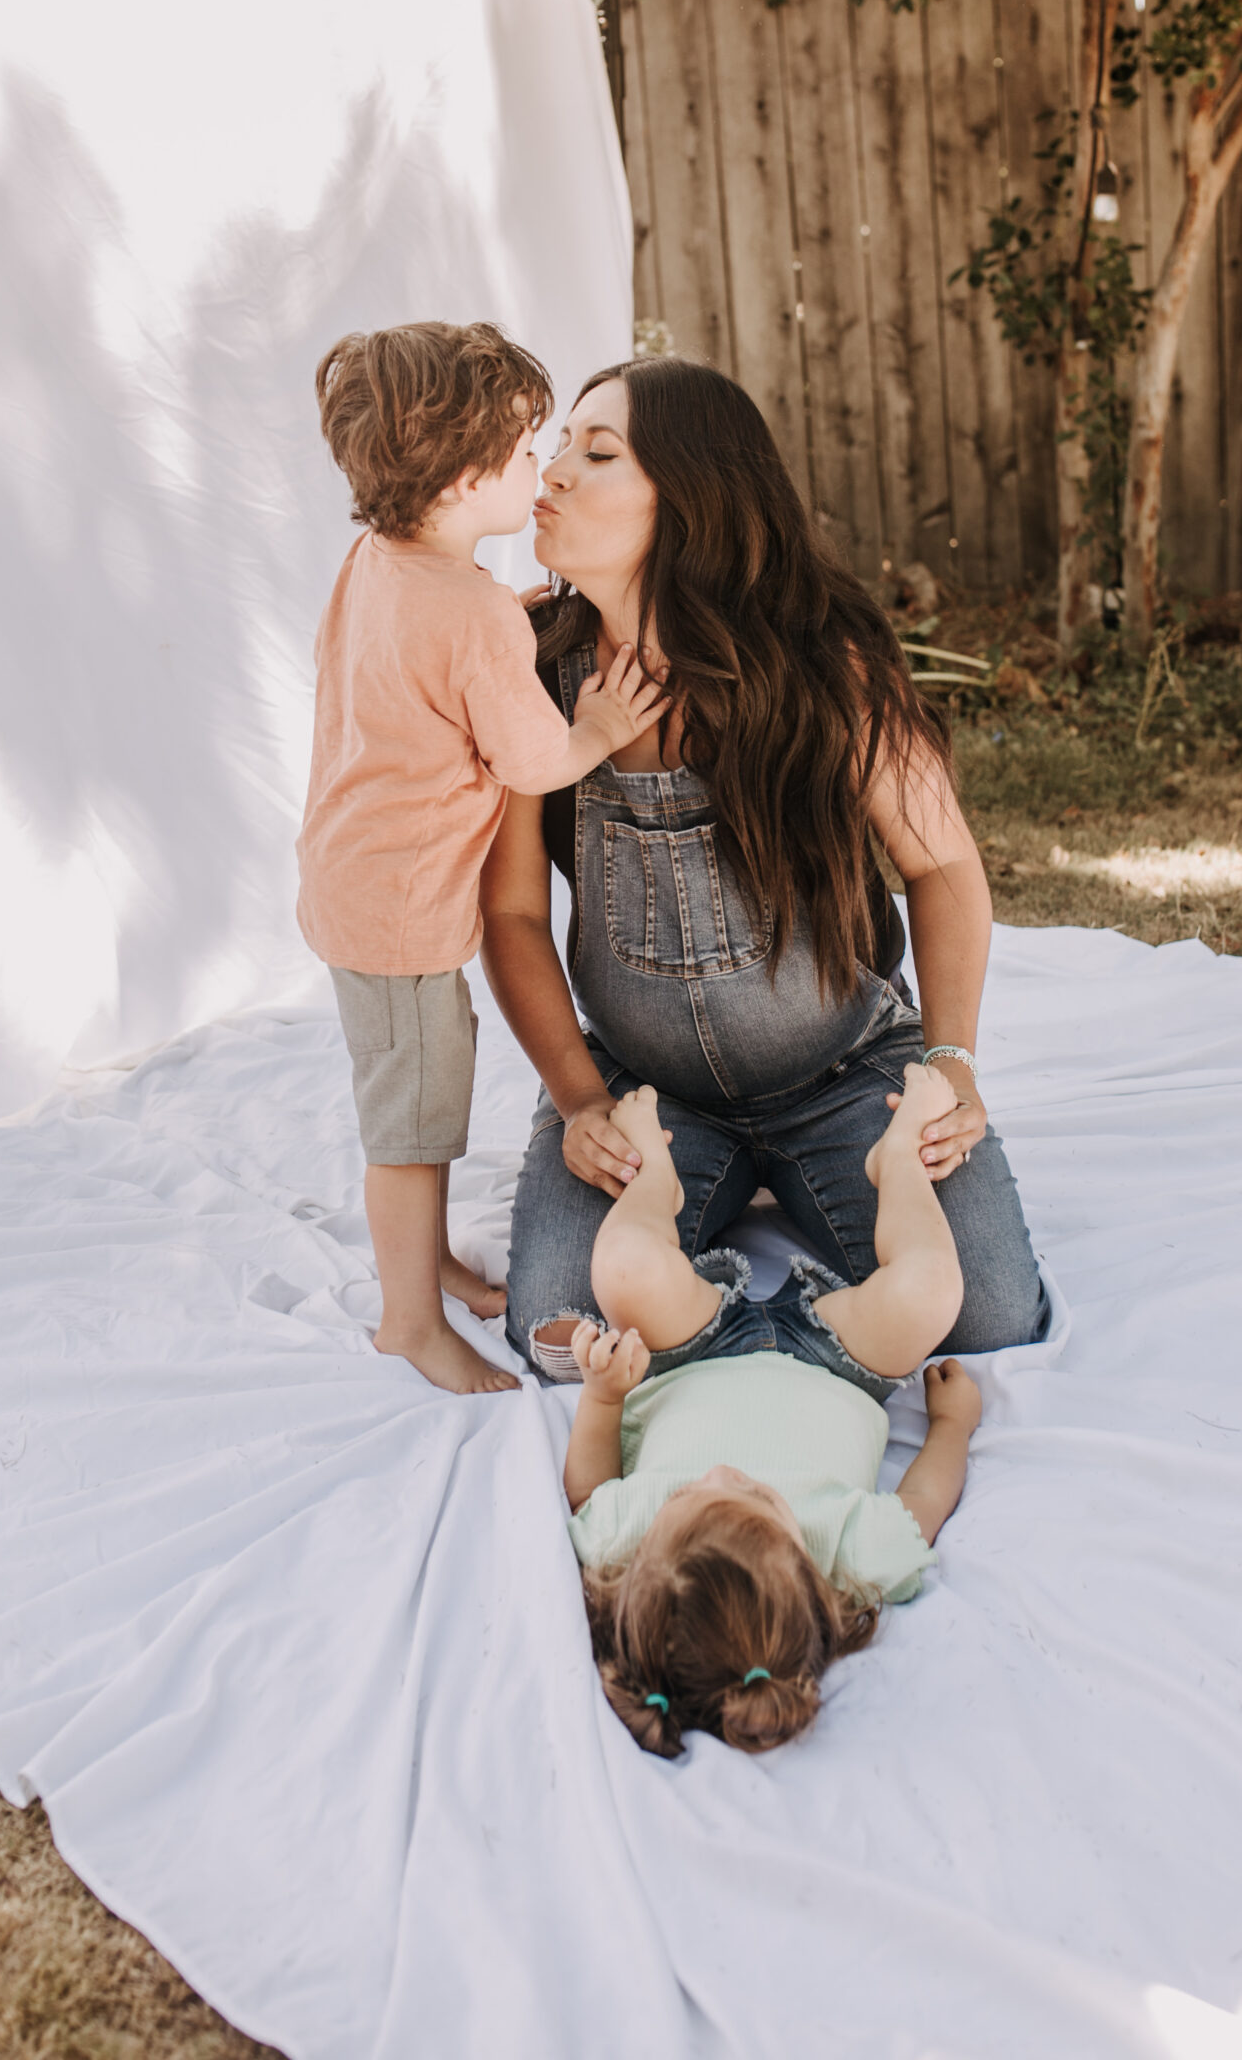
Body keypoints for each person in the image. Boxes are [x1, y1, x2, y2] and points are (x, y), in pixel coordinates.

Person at [477, 356, 1048, 1391]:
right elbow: (512, 914)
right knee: (560, 1329)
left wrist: (951, 1059)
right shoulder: (529, 667)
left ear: (693, 498)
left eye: (596, 453)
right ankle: (755, 1264)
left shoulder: (824, 661)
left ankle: (761, 1272)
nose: (551, 472)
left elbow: (944, 863)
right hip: (647, 1095)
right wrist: (578, 1101)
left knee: (994, 1315)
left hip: (846, 1074)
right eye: (558, 447)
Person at [298, 322, 664, 1394]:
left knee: (413, 1090)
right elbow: (534, 759)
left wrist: (501, 619)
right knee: (412, 1127)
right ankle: (408, 1320)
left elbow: (419, 656)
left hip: (347, 878)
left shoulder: (382, 563)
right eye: (519, 455)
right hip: (402, 912)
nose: (538, 470)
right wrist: (594, 729)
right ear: (462, 478)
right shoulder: (474, 619)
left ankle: (435, 1263)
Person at [563, 1064, 983, 1755]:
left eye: (693, 1496)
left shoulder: (630, 1549)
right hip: (836, 1360)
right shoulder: (853, 1560)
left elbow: (587, 1490)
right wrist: (951, 1425)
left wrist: (603, 1397)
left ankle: (654, 1188)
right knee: (930, 1293)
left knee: (625, 1271)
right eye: (757, 1497)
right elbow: (925, 1497)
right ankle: (898, 1162)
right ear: (806, 1582)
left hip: (691, 1352)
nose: (723, 1473)